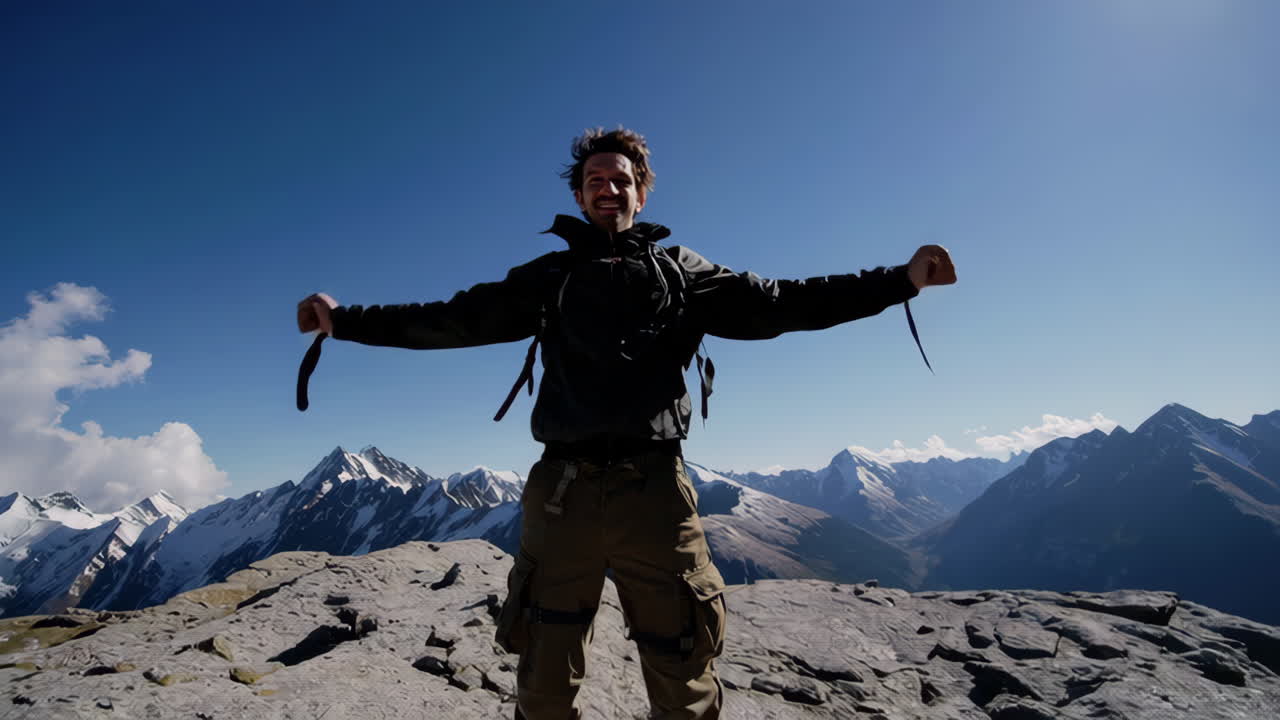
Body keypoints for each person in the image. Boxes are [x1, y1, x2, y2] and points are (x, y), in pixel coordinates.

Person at [296, 127, 956, 719]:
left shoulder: (684, 273)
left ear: (642, 191)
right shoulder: (549, 277)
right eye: (595, 182)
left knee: (683, 671)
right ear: (580, 197)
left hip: (657, 495)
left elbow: (783, 302)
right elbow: (450, 319)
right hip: (563, 493)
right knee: (545, 674)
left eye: (621, 180)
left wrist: (900, 280)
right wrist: (346, 319)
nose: (608, 189)